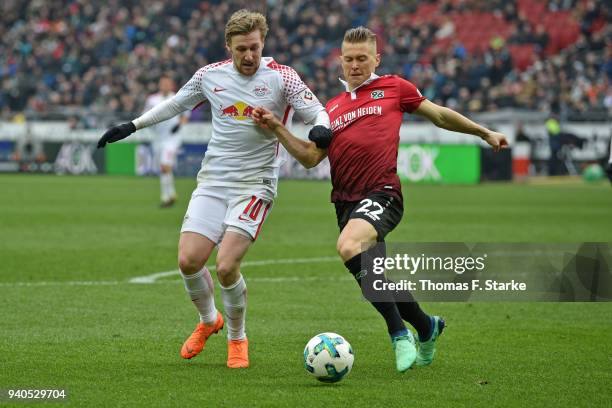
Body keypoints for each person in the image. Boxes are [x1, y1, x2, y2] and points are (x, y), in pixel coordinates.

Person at [253, 26, 508, 373]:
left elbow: (439, 115)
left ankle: (399, 335)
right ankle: (427, 326)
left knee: (348, 246)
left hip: (383, 193)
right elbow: (312, 157)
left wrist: (483, 132)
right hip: (345, 203)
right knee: (374, 279)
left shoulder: (394, 88)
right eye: (348, 59)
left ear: (376, 58)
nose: (355, 65)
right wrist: (277, 129)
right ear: (340, 62)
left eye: (362, 58)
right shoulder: (331, 108)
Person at [97, 9, 331, 368]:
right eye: (241, 49)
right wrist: (132, 125)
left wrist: (320, 129)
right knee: (188, 260)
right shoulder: (210, 76)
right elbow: (176, 103)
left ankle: (238, 338)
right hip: (214, 180)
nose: (249, 56)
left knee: (225, 266)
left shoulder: (282, 78)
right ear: (229, 47)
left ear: (262, 43)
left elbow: (317, 111)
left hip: (256, 184)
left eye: (254, 47)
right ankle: (210, 321)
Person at [142, 74, 189, 208]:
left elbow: (185, 116)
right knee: (163, 169)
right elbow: (145, 116)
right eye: (163, 83)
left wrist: (179, 125)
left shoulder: (177, 97)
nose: (165, 86)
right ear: (159, 85)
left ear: (171, 85)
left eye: (167, 83)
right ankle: (169, 196)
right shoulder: (152, 100)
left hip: (172, 139)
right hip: (157, 138)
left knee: (164, 166)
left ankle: (167, 196)